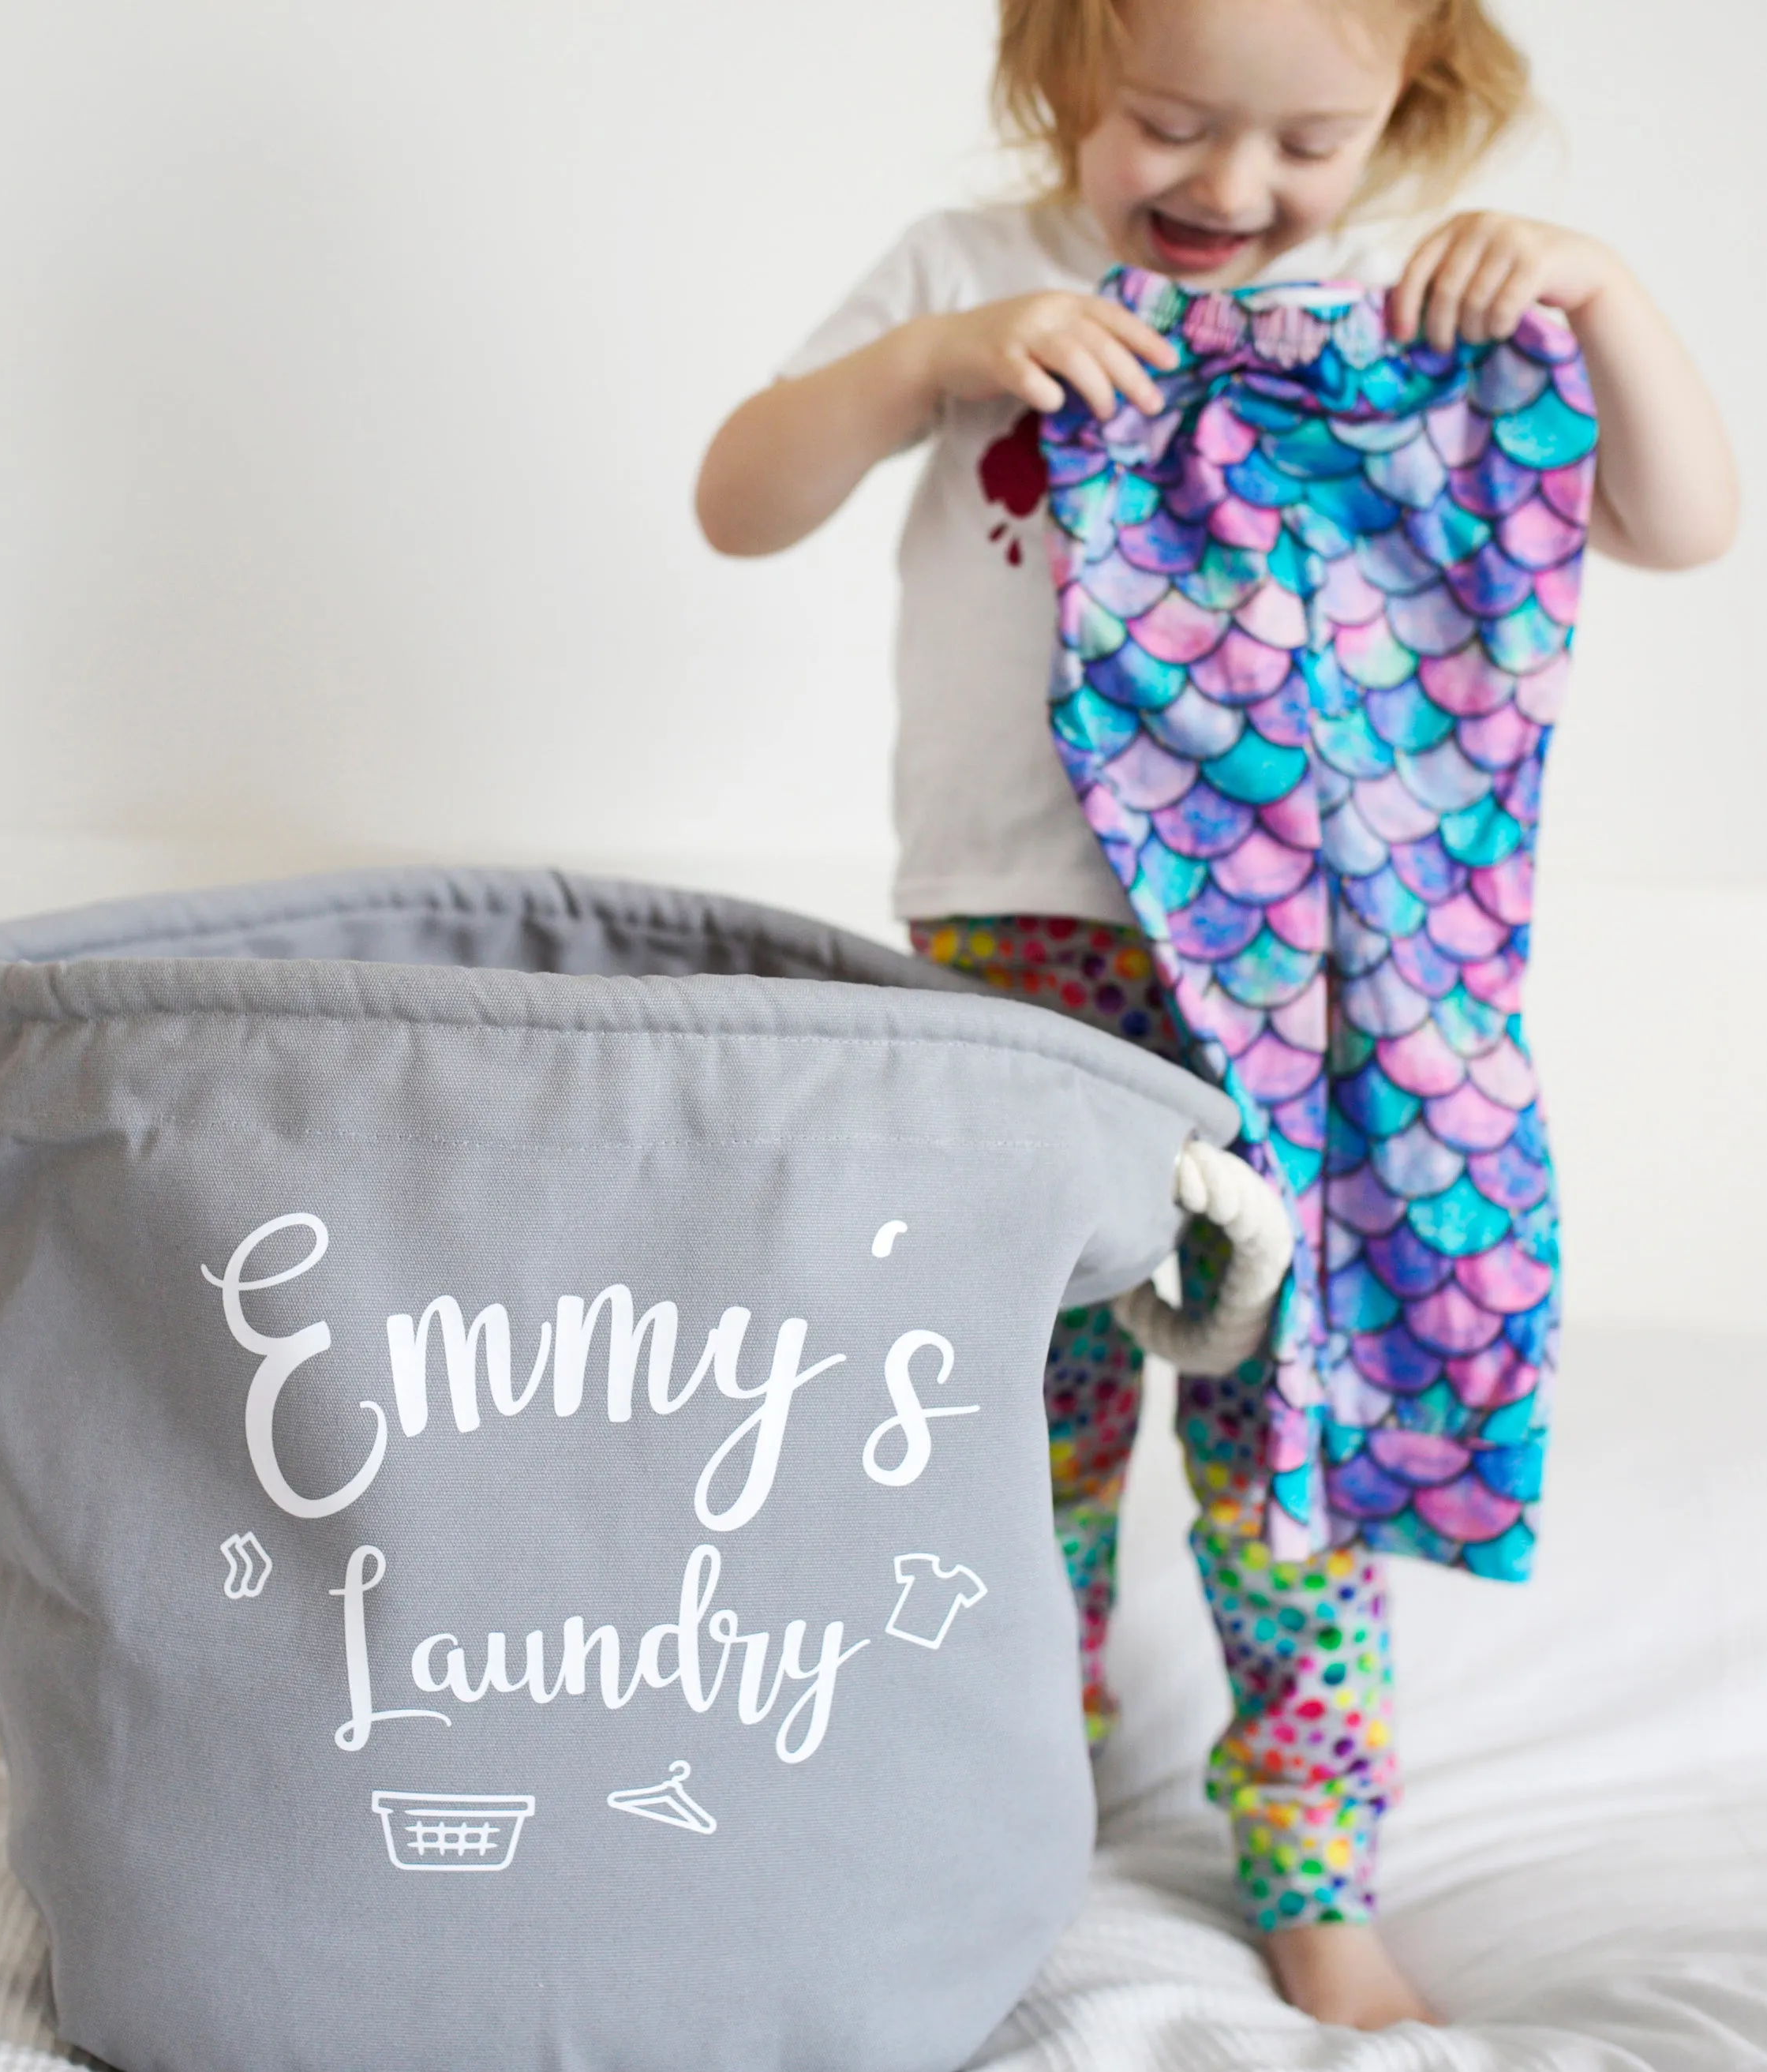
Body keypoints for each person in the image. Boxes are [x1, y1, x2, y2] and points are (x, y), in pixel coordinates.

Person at [694, 0, 1737, 2032]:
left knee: (1294, 1439)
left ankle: (1311, 1857)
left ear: (1406, 121)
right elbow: (741, 497)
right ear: (1059, 73)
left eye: (1306, 145)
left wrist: (1598, 292)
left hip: (1315, 960)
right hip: (1019, 946)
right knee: (1012, 1417)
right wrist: (928, 362)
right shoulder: (965, 273)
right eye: (1167, 124)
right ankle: (1013, 1787)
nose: (1230, 189)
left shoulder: (1412, 306)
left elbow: (1679, 522)